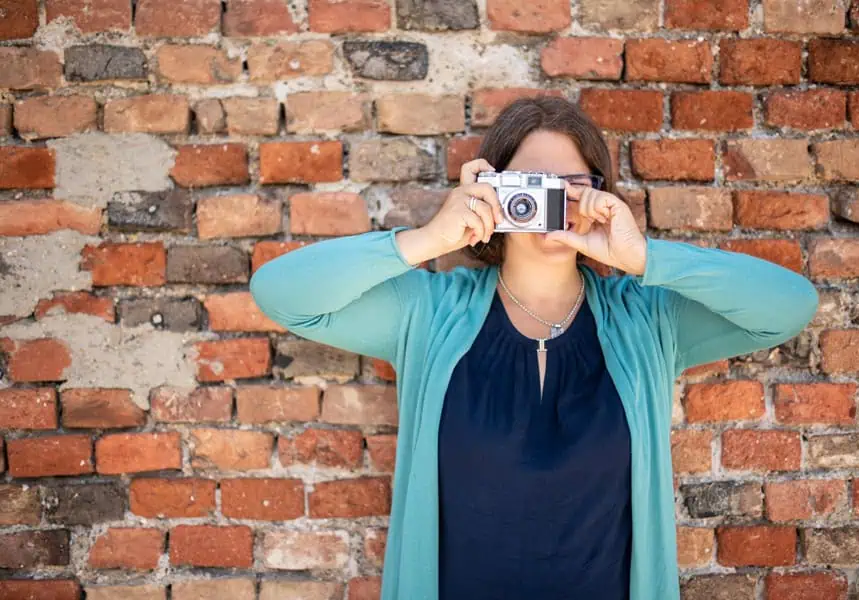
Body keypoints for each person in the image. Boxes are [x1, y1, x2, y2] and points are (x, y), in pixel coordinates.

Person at [249, 97, 820, 600]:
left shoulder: (644, 317)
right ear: (492, 193)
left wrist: (644, 259)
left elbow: (788, 305)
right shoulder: (429, 311)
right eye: (528, 187)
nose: (549, 204)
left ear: (601, 195)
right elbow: (282, 294)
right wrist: (429, 239)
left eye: (570, 188)